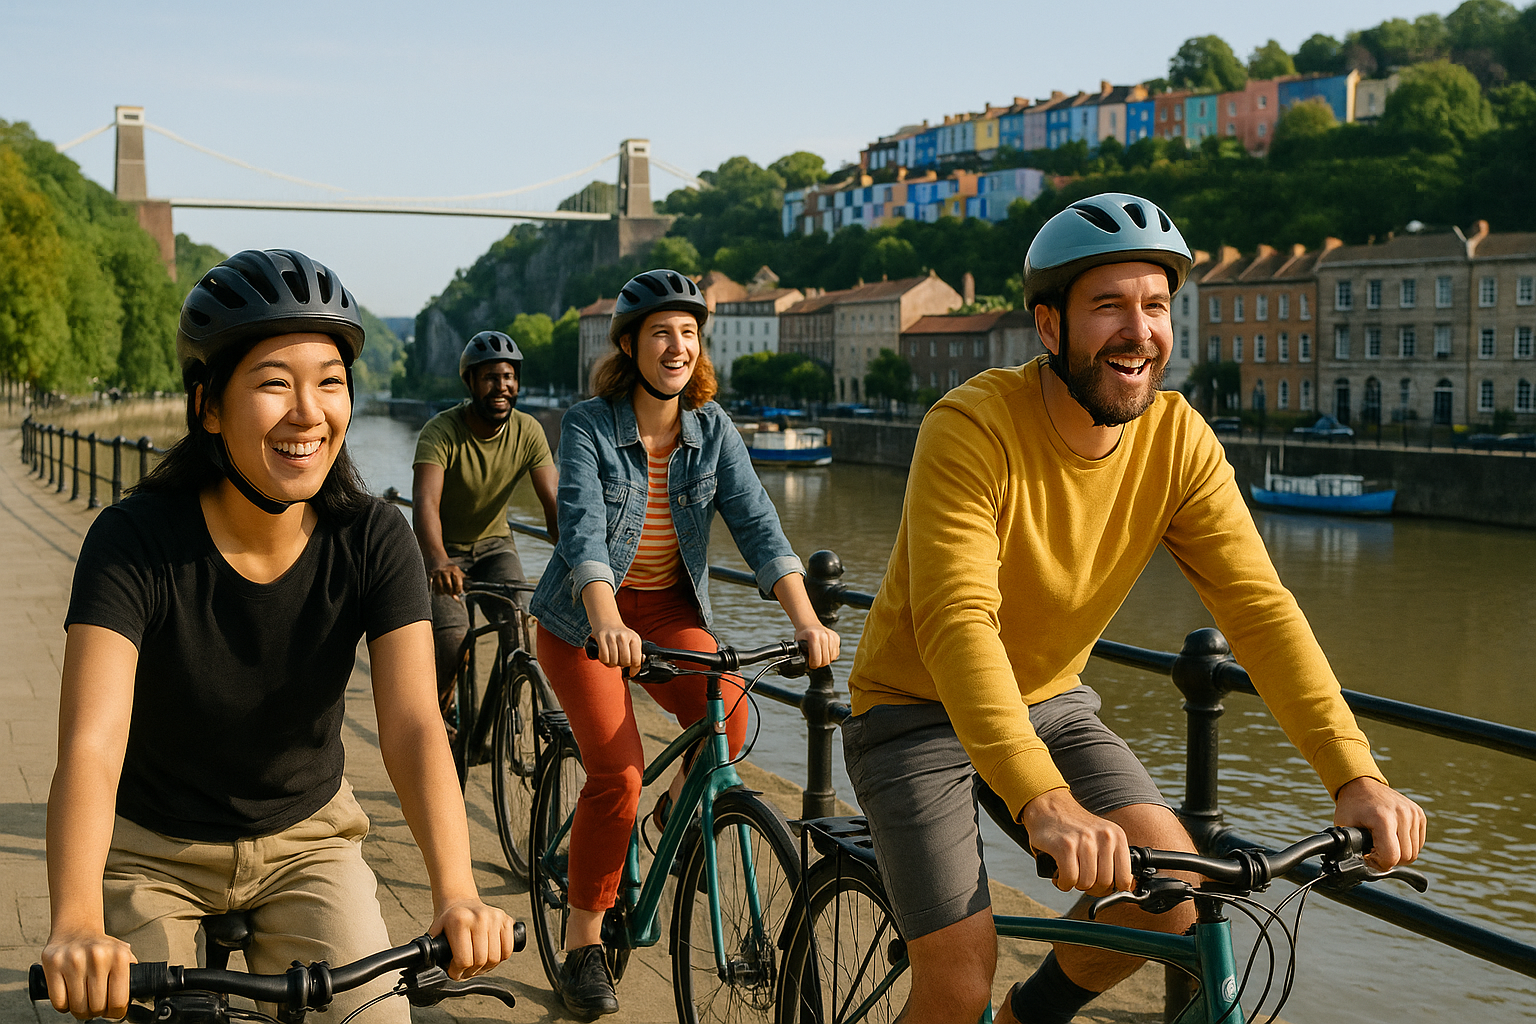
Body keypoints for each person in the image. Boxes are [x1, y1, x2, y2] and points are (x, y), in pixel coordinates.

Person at [841, 195, 1427, 1024]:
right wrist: (1044, 800)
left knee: (1173, 888)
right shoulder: (971, 426)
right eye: (1108, 306)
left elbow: (1260, 611)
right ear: (1050, 328)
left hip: (1050, 701)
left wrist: (1354, 774)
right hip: (914, 710)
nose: (1138, 329)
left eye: (1155, 305)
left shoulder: (1179, 441)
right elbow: (957, 619)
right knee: (958, 976)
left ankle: (1026, 1019)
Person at [41, 249, 518, 1023]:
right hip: (150, 843)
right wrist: (73, 924)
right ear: (208, 407)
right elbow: (91, 746)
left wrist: (456, 892)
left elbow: (411, 722)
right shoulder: (133, 542)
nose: (308, 412)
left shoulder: (374, 538)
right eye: (273, 383)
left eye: (330, 382)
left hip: (308, 841)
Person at [528, 268, 841, 1021]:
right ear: (630, 344)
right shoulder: (589, 424)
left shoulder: (713, 428)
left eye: (690, 334)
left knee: (729, 713)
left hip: (668, 608)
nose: (677, 346)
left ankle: (677, 817)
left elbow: (760, 525)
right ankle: (582, 945)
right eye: (662, 332)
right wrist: (605, 617)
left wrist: (806, 619)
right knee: (618, 775)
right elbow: (583, 532)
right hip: (583, 618)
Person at [412, 330, 558, 698]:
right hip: (445, 552)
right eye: (491, 377)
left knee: (520, 631)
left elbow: (554, 501)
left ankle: (499, 725)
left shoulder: (528, 431)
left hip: (494, 547)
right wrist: (438, 560)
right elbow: (426, 501)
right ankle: (439, 720)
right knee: (453, 642)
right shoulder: (441, 431)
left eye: (508, 377)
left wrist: (574, 563)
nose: (501, 386)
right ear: (471, 382)